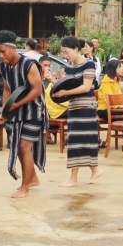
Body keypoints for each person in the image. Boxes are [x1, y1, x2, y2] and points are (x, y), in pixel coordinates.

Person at [0, 30, 48, 199]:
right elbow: (7, 90)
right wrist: (4, 111)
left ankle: (25, 187)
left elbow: (37, 89)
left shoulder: (29, 64)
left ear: (13, 47)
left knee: (24, 147)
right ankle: (32, 179)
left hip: (34, 111)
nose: (1, 56)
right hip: (17, 112)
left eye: (3, 51)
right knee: (17, 147)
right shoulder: (2, 66)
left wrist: (16, 105)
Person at [53, 37, 102, 187]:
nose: (65, 56)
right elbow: (65, 88)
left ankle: (74, 178)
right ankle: (95, 170)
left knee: (82, 140)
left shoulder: (89, 64)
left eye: (66, 52)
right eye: (63, 53)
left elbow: (86, 87)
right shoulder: (68, 66)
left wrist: (64, 92)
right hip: (74, 106)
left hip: (86, 107)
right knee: (77, 140)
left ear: (76, 49)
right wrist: (52, 80)